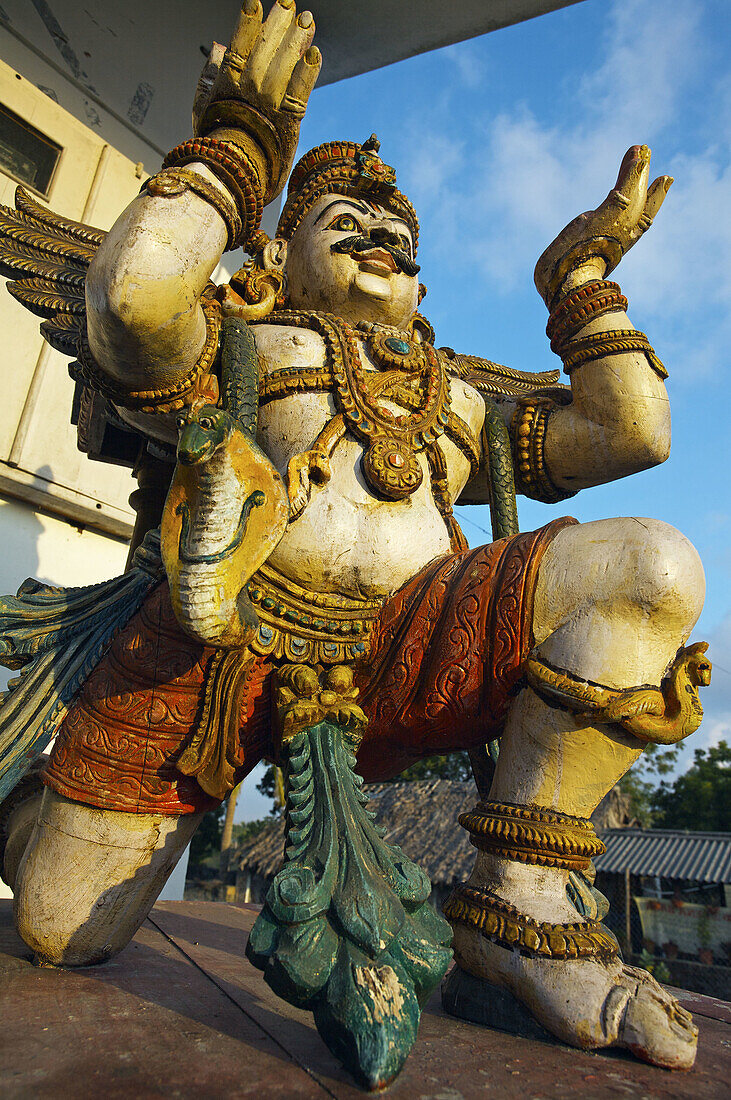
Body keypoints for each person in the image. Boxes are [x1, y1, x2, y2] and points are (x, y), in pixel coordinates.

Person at [1, 0, 709, 1074]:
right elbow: (133, 302)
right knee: (61, 926)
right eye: (344, 220)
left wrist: (577, 284)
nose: (380, 236)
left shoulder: (457, 397)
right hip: (214, 649)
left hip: (406, 651)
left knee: (650, 565)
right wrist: (237, 146)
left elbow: (630, 430)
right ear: (279, 253)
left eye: (399, 237)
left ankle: (510, 899)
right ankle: (35, 805)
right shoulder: (243, 333)